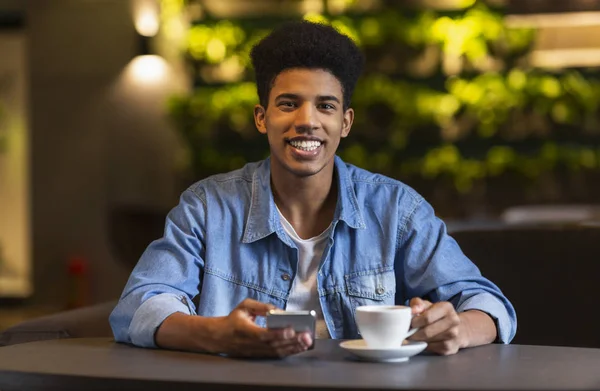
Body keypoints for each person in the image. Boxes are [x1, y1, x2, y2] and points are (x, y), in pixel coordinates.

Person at [109, 20, 516, 358]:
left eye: (325, 106)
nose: (307, 121)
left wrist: (457, 329)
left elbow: (489, 305)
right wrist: (217, 333)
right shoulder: (206, 207)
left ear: (346, 122)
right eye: (288, 104)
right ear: (261, 117)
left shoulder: (397, 209)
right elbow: (139, 306)